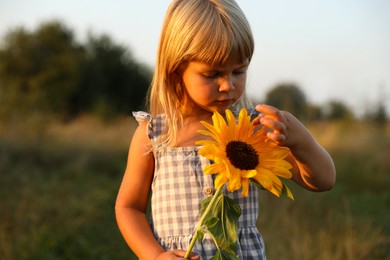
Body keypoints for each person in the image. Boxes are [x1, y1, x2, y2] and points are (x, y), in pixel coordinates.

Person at [115, 0, 336, 259]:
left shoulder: (252, 129)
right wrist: (153, 255)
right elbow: (129, 207)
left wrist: (300, 140)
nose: (227, 85)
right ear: (176, 71)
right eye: (212, 74)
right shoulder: (155, 134)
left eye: (239, 71)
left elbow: (323, 180)